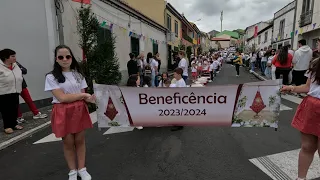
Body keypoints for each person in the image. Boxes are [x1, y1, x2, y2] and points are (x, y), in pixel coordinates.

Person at [44, 45, 95, 180]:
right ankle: (72, 171)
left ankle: (82, 169)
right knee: (68, 142)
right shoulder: (51, 77)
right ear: (56, 59)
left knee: (80, 140)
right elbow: (62, 98)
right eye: (61, 57)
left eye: (68, 56)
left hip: (79, 109)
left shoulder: (78, 75)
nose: (65, 59)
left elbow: (85, 95)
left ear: (72, 57)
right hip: (62, 110)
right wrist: (83, 96)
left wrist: (95, 98)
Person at [281, 55, 320, 180]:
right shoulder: (316, 63)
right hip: (312, 107)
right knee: (307, 146)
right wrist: (291, 88)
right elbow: (308, 87)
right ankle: (301, 178)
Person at [0, 49, 24, 134]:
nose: (15, 58)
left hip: (15, 90)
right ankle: (7, 126)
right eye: (12, 56)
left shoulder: (15, 65)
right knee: (6, 110)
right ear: (6, 58)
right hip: (4, 92)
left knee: (14, 108)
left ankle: (14, 123)